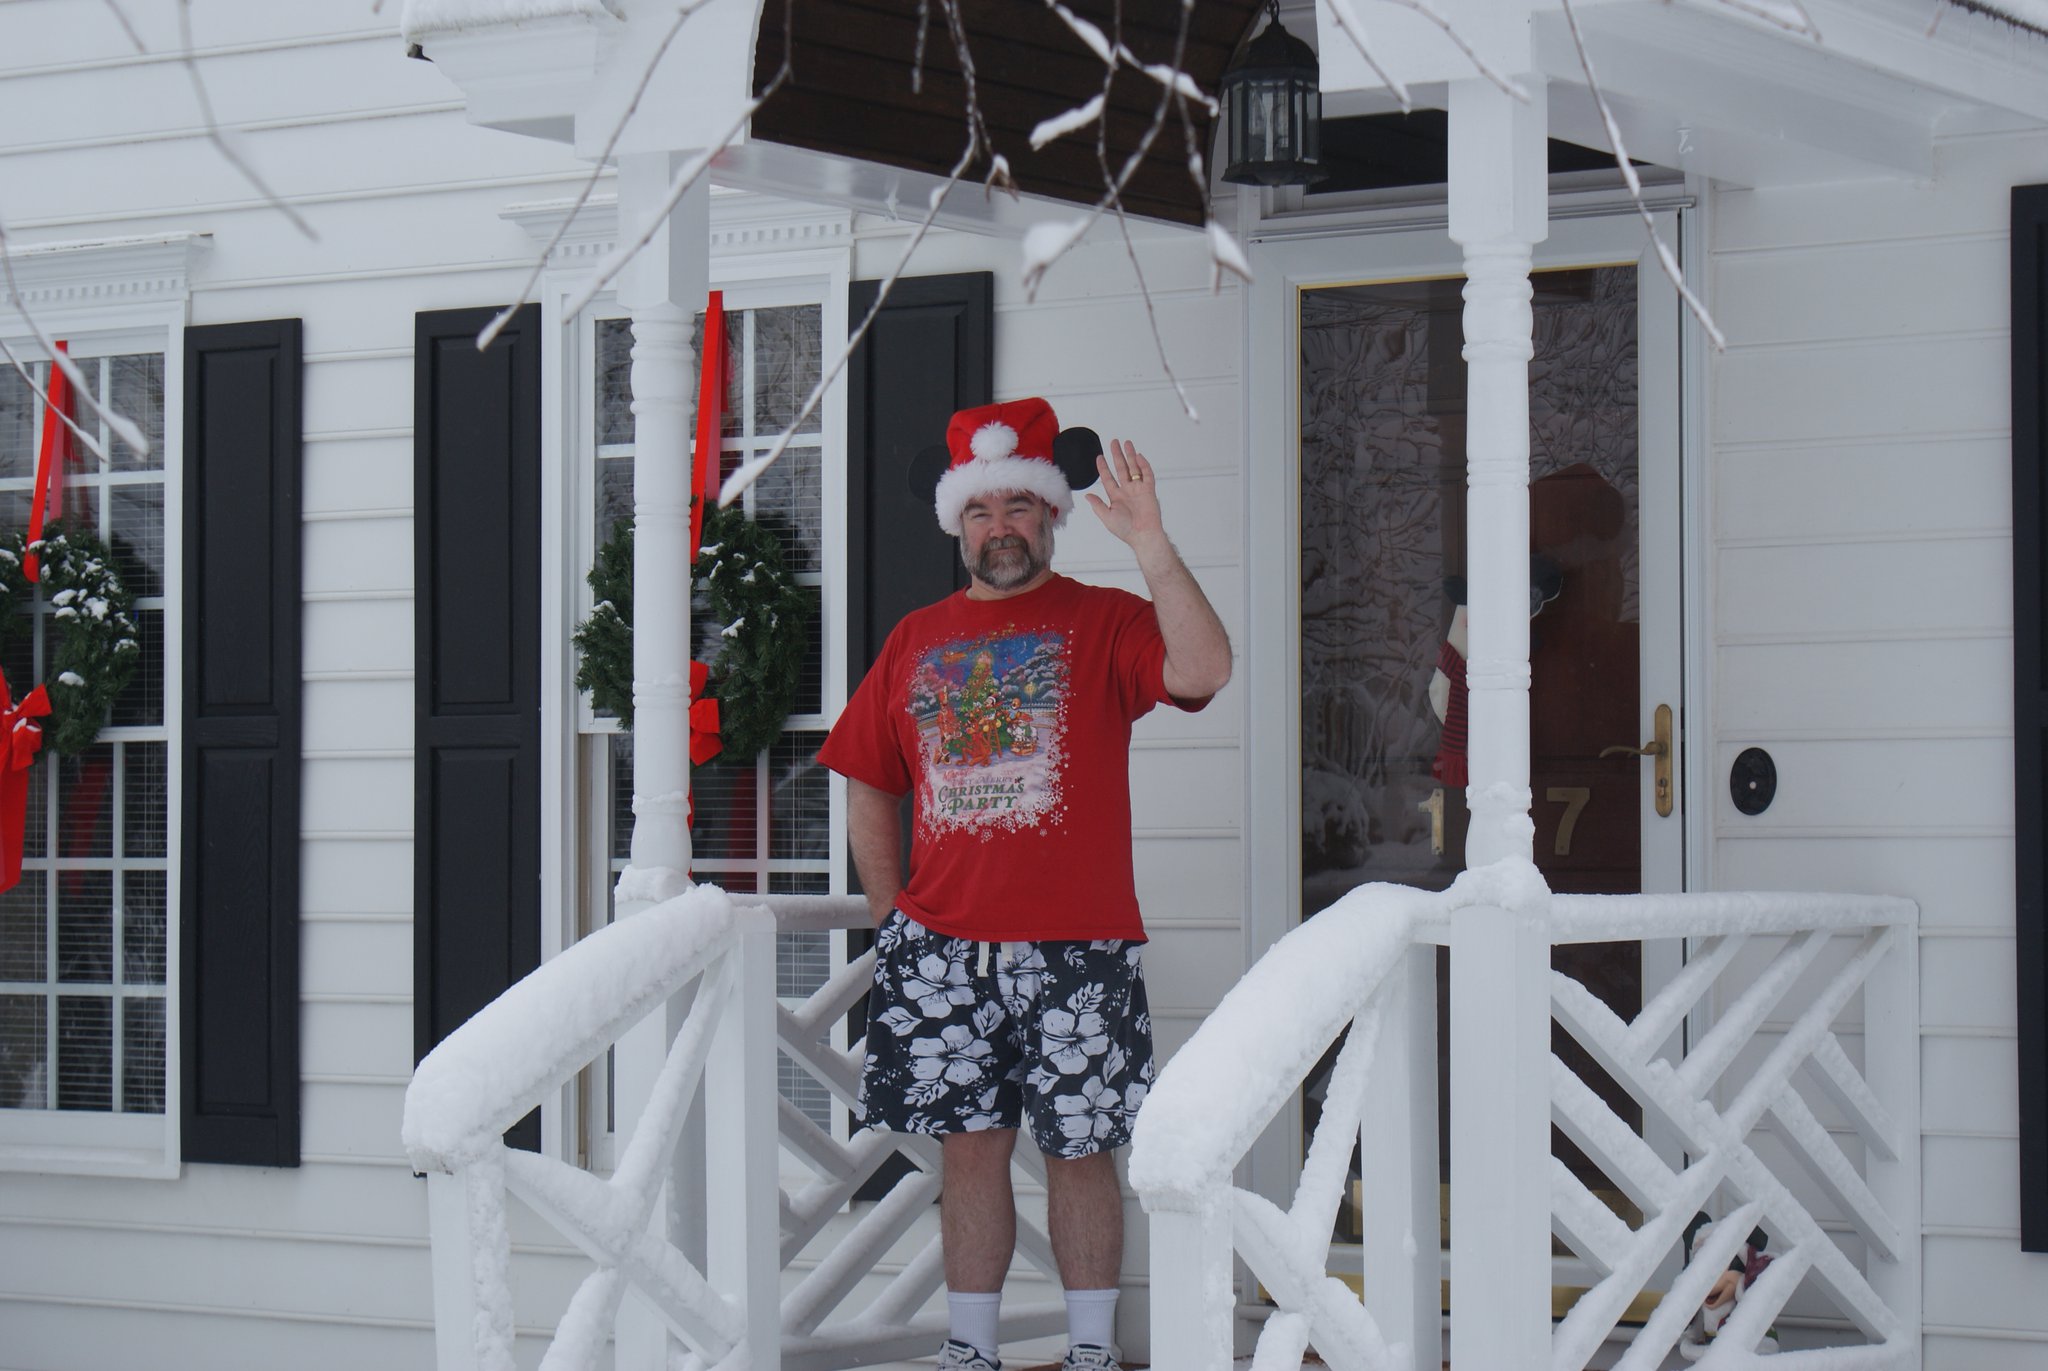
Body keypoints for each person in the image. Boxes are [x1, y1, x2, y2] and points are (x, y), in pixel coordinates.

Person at [817, 397, 1231, 1371]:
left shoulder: (1104, 620)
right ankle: (971, 1351)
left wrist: (1150, 543)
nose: (998, 526)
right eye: (979, 510)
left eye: (1017, 506)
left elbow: (1204, 666)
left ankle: (1090, 1352)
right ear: (956, 524)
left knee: (1081, 1149)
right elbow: (867, 778)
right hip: (941, 949)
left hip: (1077, 942)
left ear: (1050, 513)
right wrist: (891, 916)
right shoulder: (915, 638)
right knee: (969, 1153)